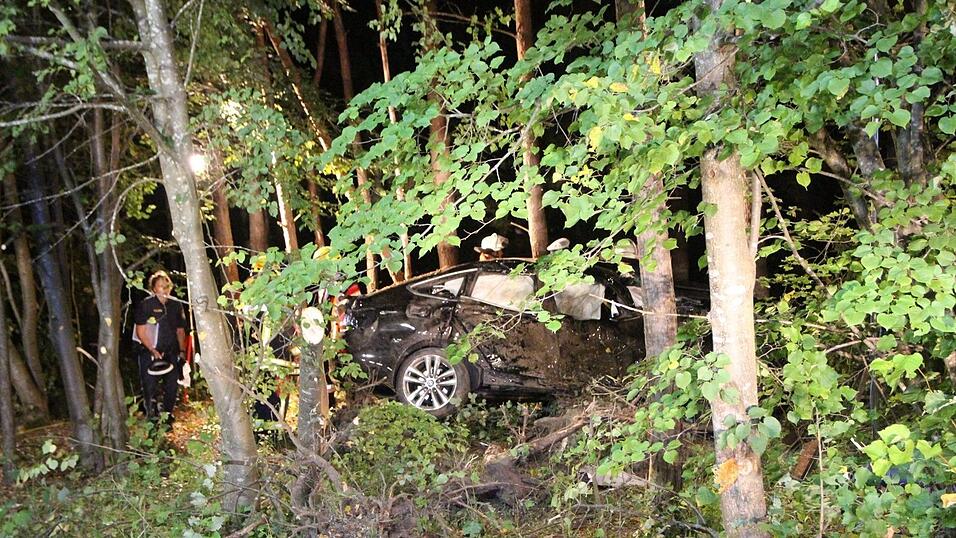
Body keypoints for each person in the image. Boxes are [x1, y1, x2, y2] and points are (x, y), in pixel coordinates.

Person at [134, 270, 187, 423]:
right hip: (149, 352)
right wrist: (152, 349)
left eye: (167, 286)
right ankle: (151, 418)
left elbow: (180, 330)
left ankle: (168, 417)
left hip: (171, 352)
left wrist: (182, 351)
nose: (164, 289)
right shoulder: (146, 305)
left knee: (172, 385)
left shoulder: (176, 305)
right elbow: (140, 331)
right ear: (154, 288)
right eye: (160, 286)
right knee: (150, 386)